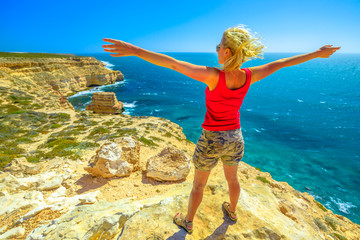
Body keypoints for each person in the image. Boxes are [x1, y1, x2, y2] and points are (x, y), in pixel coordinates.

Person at [102, 25, 340, 233]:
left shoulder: (213, 76)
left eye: (219, 45)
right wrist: (317, 54)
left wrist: (136, 50)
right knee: (232, 180)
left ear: (227, 51)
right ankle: (232, 212)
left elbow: (173, 64)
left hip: (211, 139)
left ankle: (188, 221)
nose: (216, 49)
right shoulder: (249, 76)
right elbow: (281, 63)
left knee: (198, 185)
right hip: (235, 136)